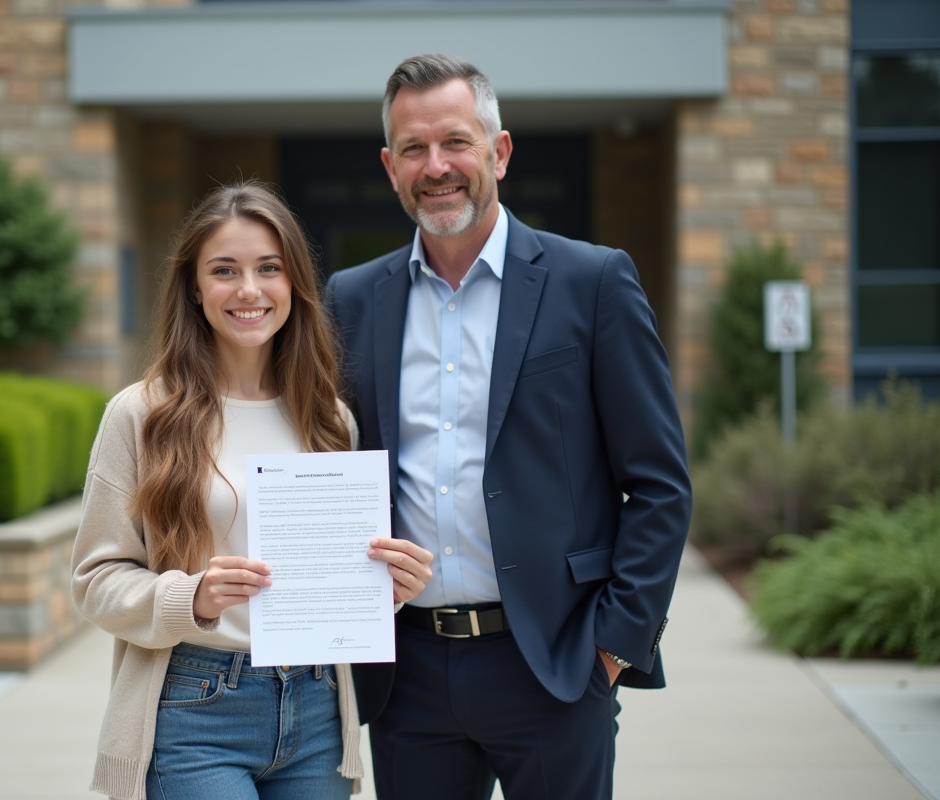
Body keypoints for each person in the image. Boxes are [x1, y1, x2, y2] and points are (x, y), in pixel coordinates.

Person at [326, 54, 692, 800]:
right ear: (390, 166)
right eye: (415, 150)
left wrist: (615, 644)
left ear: (499, 151)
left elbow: (659, 482)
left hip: (556, 664)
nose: (437, 167)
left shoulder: (593, 282)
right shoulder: (353, 299)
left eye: (456, 142)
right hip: (411, 674)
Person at [71, 181, 434, 800]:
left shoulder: (330, 419)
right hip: (194, 707)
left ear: (293, 283)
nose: (248, 289)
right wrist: (194, 597)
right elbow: (94, 581)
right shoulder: (140, 415)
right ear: (194, 285)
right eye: (224, 270)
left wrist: (387, 589)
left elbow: (335, 577)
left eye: (269, 268)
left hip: (317, 708)